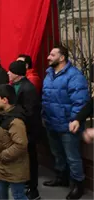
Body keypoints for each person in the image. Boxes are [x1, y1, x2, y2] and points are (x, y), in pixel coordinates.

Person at [42, 46, 89, 200]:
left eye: (52, 54)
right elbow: (46, 98)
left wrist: (75, 120)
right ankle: (61, 177)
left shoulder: (74, 76)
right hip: (51, 123)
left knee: (72, 157)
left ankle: (78, 185)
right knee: (57, 153)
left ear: (62, 58)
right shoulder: (48, 74)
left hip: (68, 125)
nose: (48, 57)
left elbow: (80, 101)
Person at [7, 61, 41, 200]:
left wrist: (11, 112)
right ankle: (25, 182)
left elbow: (29, 112)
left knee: (31, 160)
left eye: (10, 71)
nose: (8, 73)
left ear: (17, 73)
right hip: (20, 130)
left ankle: (33, 190)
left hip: (29, 132)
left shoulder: (28, 89)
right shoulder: (15, 86)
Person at [0, 84, 29, 200]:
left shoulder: (16, 121)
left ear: (5, 100)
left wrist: (4, 155)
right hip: (3, 165)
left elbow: (21, 144)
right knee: (1, 191)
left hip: (14, 166)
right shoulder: (5, 115)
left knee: (18, 195)